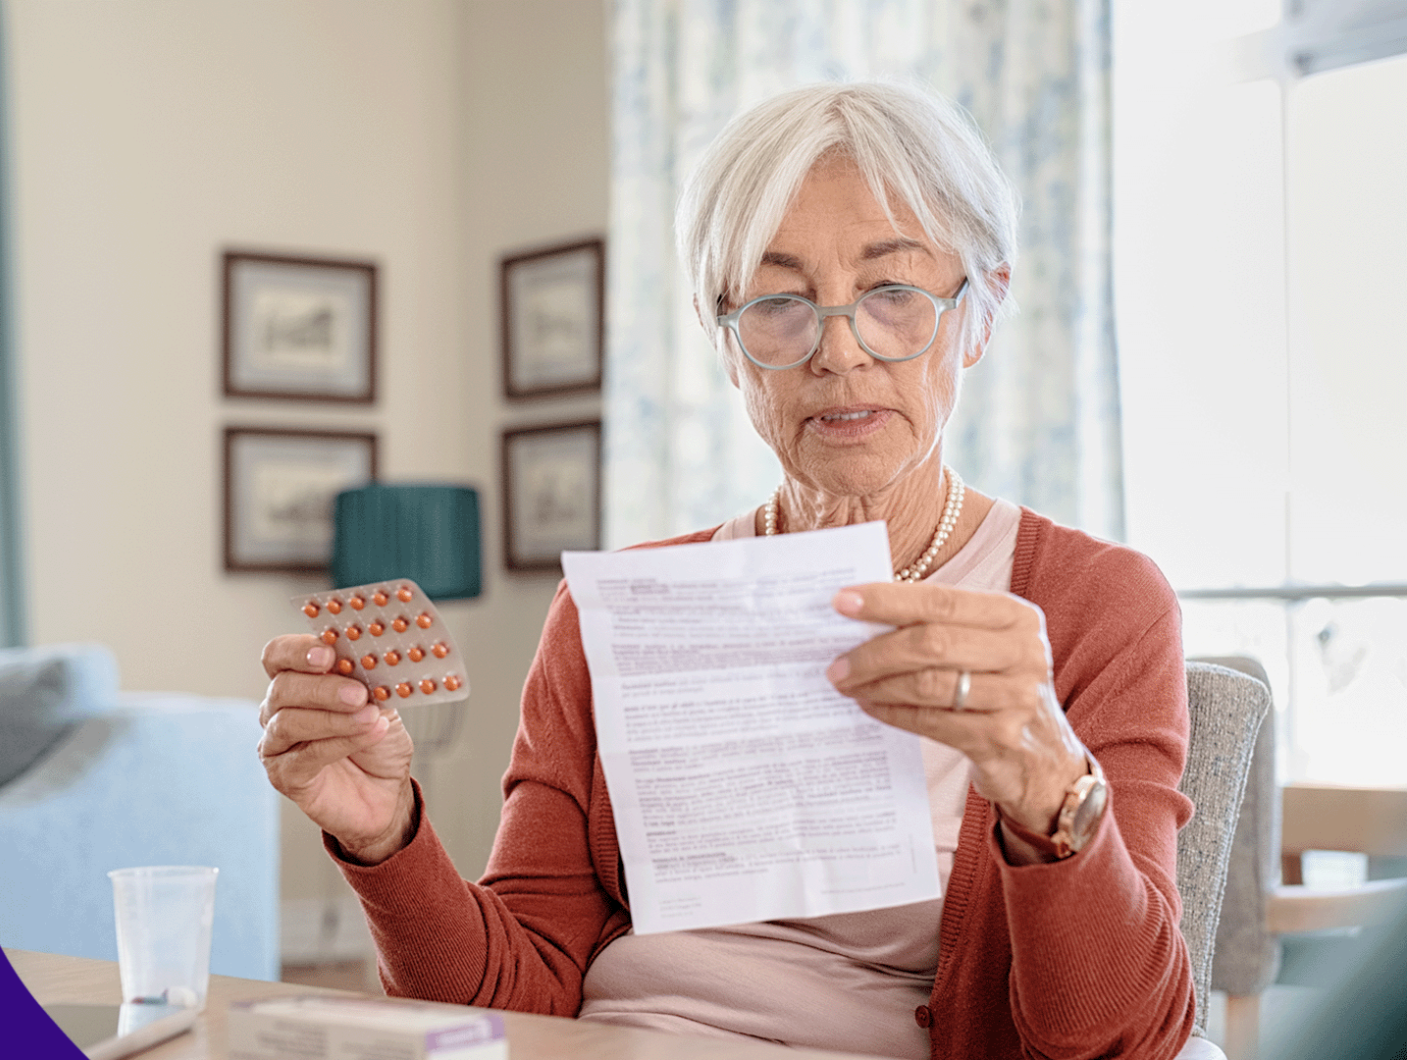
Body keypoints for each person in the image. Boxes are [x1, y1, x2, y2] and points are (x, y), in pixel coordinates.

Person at [256, 81, 1195, 1060]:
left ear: (981, 314)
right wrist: (384, 834)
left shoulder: (1097, 606)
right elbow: (509, 998)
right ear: (727, 341)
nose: (839, 350)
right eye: (780, 303)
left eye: (892, 294)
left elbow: (1125, 1040)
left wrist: (1048, 785)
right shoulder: (610, 613)